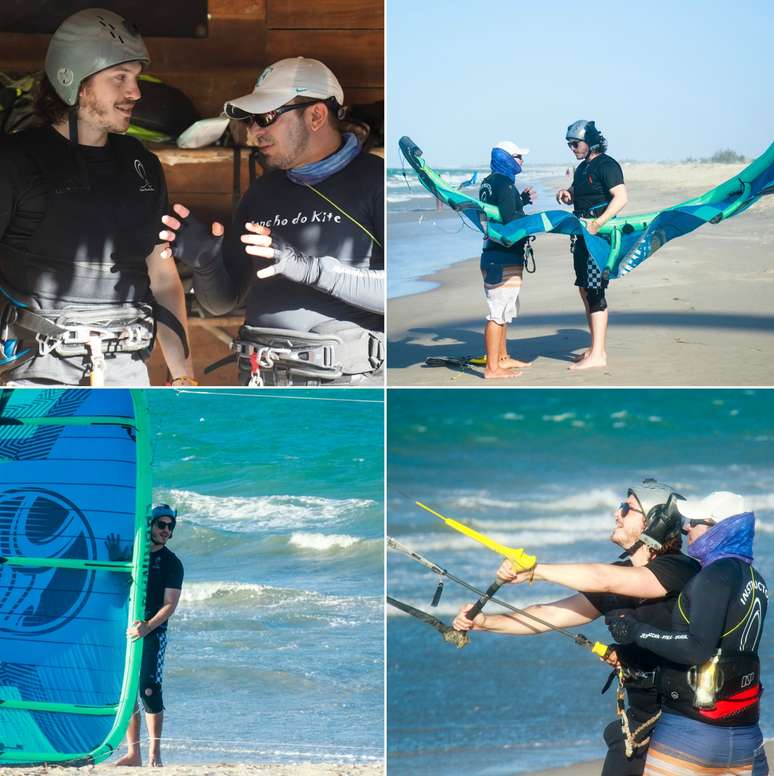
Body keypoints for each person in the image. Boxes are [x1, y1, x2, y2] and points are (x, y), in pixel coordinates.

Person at [160, 57, 384, 386]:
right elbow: (222, 302)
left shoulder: (374, 181)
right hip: (259, 378)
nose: (254, 131)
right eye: (252, 120)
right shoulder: (261, 194)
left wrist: (311, 269)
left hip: (344, 384)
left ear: (316, 115)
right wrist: (206, 262)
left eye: (266, 117)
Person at [0, 8, 194, 387]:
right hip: (33, 378)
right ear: (73, 81)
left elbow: (163, 276)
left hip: (127, 373)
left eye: (135, 78)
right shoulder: (14, 161)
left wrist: (184, 376)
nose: (135, 92)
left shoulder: (142, 164)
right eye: (119, 78)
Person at [453, 480, 701, 776]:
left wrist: (535, 571)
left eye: (626, 508)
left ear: (655, 522)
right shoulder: (616, 577)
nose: (616, 513)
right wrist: (485, 622)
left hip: (685, 716)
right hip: (640, 719)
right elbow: (549, 615)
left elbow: (605, 579)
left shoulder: (679, 568)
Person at [606, 492, 769, 776]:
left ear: (717, 527)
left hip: (692, 736)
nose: (685, 527)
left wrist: (635, 631)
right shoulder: (756, 580)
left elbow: (697, 648)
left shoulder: (714, 576)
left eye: (693, 521)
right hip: (746, 736)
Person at [555, 120, 628, 371]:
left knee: (595, 291)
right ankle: (595, 348)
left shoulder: (607, 165)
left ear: (591, 142)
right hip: (581, 236)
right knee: (585, 289)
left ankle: (598, 354)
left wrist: (599, 223)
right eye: (570, 144)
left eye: (575, 143)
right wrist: (567, 194)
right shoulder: (582, 167)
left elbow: (621, 198)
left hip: (599, 237)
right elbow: (578, 194)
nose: (572, 148)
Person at [117, 504, 184, 768]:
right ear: (151, 525)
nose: (166, 530)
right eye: (161, 525)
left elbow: (170, 604)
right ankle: (134, 754)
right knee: (128, 691)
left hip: (153, 633)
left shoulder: (172, 562)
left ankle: (155, 754)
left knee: (149, 689)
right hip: (126, 631)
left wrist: (148, 626)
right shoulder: (133, 556)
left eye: (170, 526)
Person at [478, 140, 536, 379]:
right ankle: (492, 368)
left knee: (506, 309)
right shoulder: (505, 184)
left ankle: (502, 357)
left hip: (492, 252)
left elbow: (498, 213)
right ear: (506, 159)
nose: (522, 161)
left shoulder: (489, 182)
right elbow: (512, 223)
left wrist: (520, 201)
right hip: (502, 256)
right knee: (498, 312)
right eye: (518, 156)